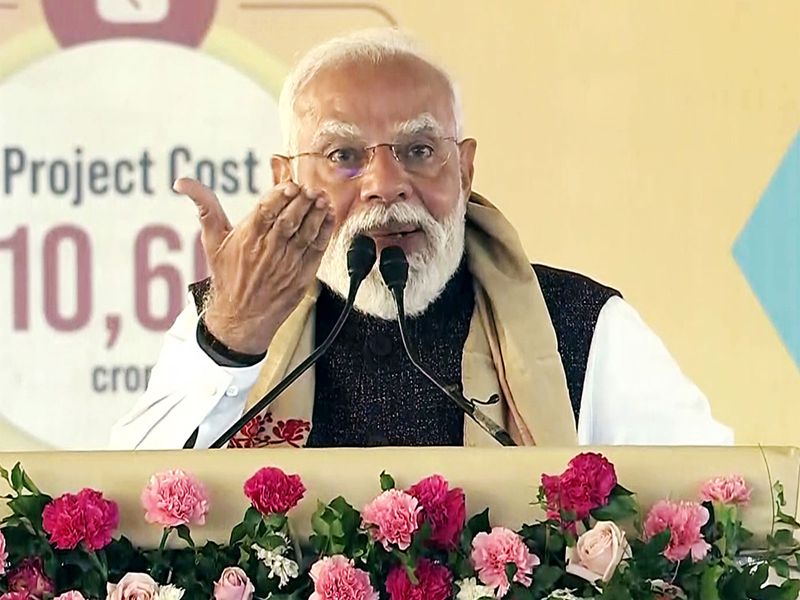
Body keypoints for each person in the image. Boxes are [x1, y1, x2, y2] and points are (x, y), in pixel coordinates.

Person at [109, 28, 732, 450]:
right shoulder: (223, 321)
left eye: (419, 150)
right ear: (286, 179)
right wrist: (230, 339)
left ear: (465, 169)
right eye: (344, 155)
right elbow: (126, 513)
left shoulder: (581, 323)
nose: (386, 184)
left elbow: (716, 522)